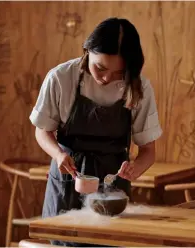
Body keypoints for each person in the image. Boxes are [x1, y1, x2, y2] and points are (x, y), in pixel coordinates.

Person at [29, 17, 162, 246]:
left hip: (113, 188)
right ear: (87, 50)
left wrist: (135, 169)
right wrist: (58, 154)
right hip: (67, 179)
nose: (105, 78)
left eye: (118, 72)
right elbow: (42, 132)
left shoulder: (139, 87)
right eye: (99, 68)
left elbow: (148, 150)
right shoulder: (61, 78)